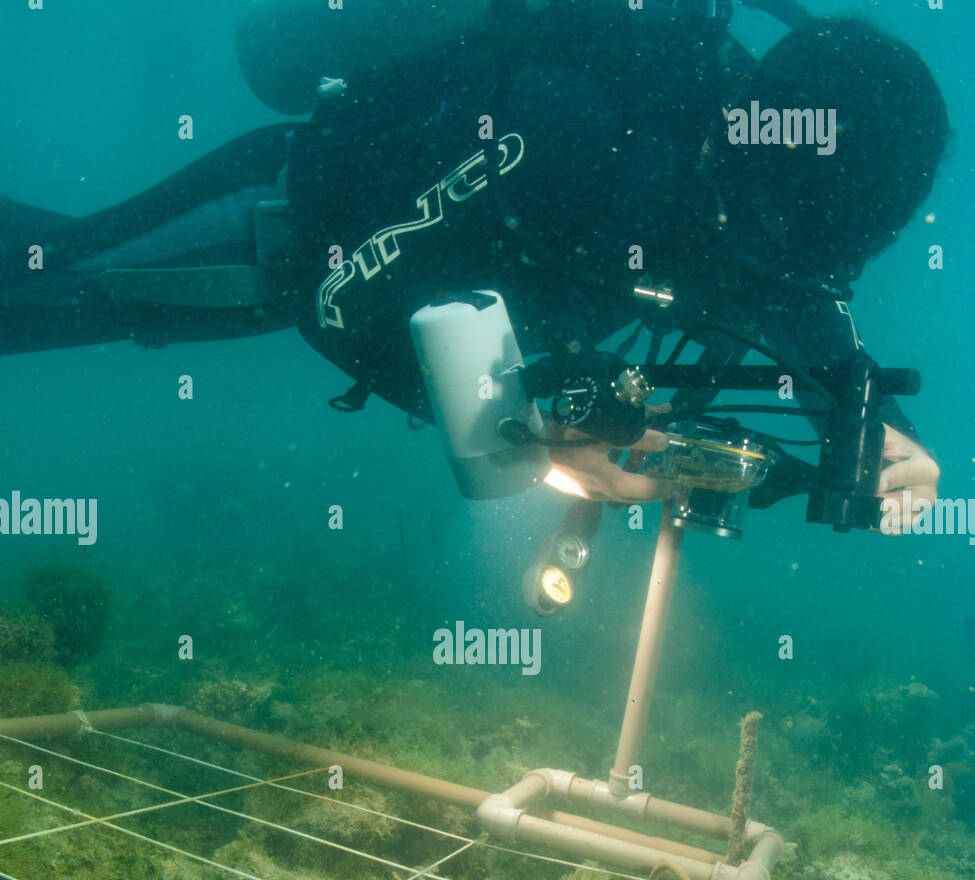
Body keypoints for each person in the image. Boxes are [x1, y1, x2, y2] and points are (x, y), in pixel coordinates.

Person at [0, 0, 948, 529]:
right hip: (271, 226)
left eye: (831, 252)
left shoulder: (764, 201)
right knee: (42, 296)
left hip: (316, 271)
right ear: (745, 153)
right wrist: (531, 439)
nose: (787, 262)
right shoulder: (573, 126)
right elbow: (340, 298)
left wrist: (868, 428)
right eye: (784, 229)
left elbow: (793, 295)